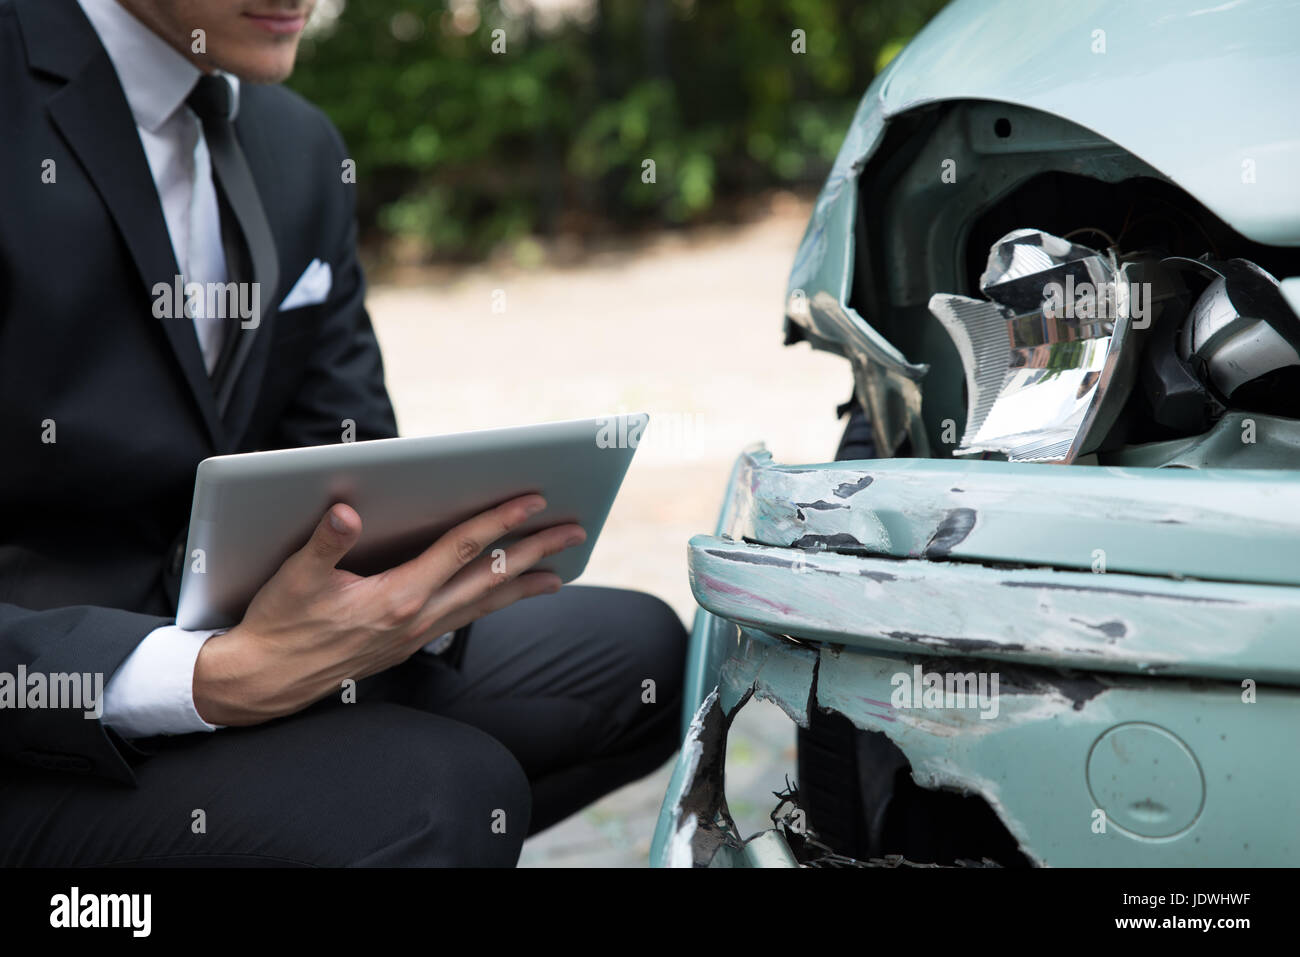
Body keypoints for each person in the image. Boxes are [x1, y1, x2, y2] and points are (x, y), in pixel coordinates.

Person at [0, 0, 687, 866]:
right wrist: (204, 679)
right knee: (441, 798)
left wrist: (412, 592)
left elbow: (346, 449)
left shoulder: (300, 145)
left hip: (232, 626)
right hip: (35, 709)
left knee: (640, 656)